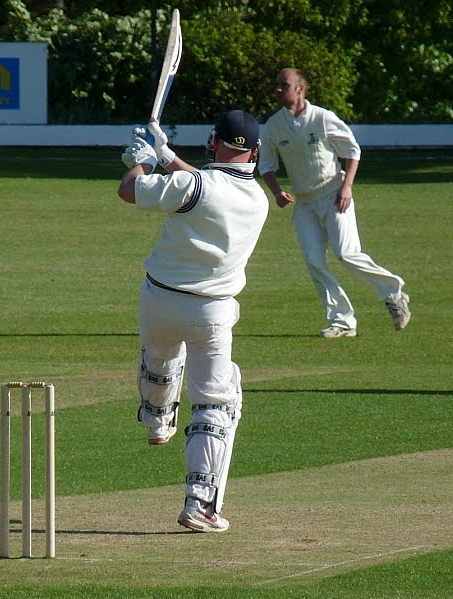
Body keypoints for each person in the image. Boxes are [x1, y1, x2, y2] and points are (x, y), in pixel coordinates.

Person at [117, 110, 268, 533]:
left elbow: (129, 191)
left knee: (160, 356)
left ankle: (156, 420)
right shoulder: (256, 198)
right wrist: (165, 155)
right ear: (254, 152)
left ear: (212, 140)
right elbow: (205, 185)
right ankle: (199, 504)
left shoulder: (194, 184)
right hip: (211, 312)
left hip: (159, 299)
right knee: (216, 403)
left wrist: (141, 161)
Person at [259, 68, 411, 338]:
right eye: (277, 85)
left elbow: (352, 150)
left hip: (334, 194)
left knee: (347, 254)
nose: (278, 89)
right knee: (313, 260)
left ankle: (393, 293)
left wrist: (347, 187)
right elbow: (267, 165)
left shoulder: (322, 118)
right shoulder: (273, 126)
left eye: (285, 85)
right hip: (304, 203)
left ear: (300, 89)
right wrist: (276, 192)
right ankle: (342, 321)